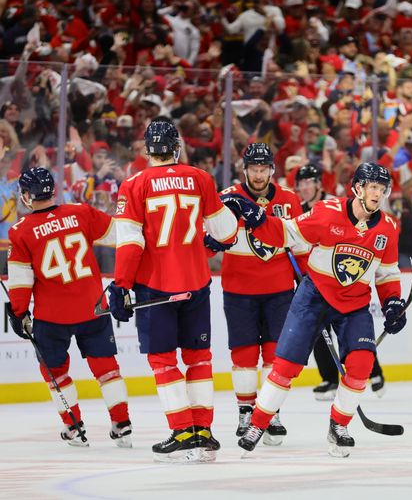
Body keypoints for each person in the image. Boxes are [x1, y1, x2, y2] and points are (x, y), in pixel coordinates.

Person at [236, 162, 407, 458]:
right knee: (286, 366)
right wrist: (257, 219)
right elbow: (285, 233)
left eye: (382, 189)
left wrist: (392, 302)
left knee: (362, 365)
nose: (378, 194)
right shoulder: (327, 212)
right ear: (357, 188)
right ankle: (258, 422)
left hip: (354, 304)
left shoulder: (388, 229)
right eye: (373, 187)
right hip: (314, 297)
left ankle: (339, 425)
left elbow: (387, 273)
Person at [109, 117, 239, 463]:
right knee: (199, 358)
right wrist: (208, 243)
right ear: (176, 147)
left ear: (147, 150)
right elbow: (226, 232)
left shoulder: (135, 185)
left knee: (163, 361)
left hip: (156, 287)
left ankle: (182, 431)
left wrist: (121, 285)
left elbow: (131, 243)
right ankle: (204, 432)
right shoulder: (200, 178)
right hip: (197, 283)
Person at [6, 167, 132, 448]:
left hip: (52, 316)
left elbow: (20, 281)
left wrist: (18, 312)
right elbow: (121, 235)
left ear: (27, 196)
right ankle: (122, 424)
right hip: (93, 308)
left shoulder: (20, 231)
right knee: (106, 368)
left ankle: (73, 427)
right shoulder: (81, 212)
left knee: (55, 371)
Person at [205, 142, 305, 443]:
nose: (258, 175)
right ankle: (246, 411)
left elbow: (299, 244)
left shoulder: (289, 199)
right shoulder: (226, 199)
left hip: (279, 291)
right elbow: (207, 243)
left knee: (276, 353)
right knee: (244, 352)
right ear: (244, 169)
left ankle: (270, 411)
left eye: (263, 169)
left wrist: (308, 280)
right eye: (253, 169)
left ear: (272, 170)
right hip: (239, 289)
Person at [296, 163, 391, 401]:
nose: (305, 187)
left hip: (344, 280)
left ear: (319, 184)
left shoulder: (335, 204)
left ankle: (374, 371)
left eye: (310, 182)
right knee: (318, 331)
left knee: (354, 331)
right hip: (317, 279)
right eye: (302, 183)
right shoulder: (299, 209)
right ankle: (329, 378)